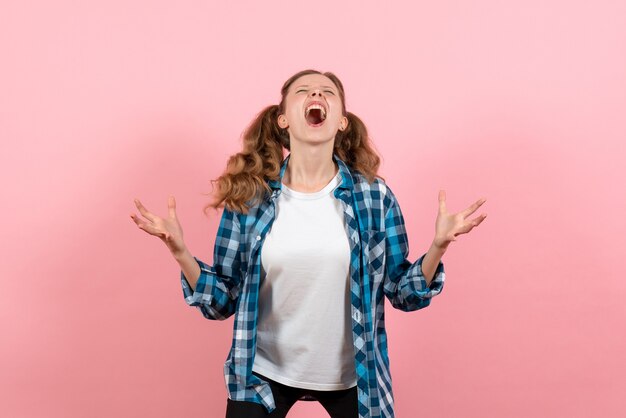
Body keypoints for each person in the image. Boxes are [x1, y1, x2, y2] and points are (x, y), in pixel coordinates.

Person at [130, 69, 487, 418]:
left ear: (341, 122)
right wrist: (179, 251)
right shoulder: (251, 199)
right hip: (263, 374)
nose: (316, 95)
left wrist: (438, 246)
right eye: (303, 91)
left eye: (327, 92)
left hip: (354, 377)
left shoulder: (374, 197)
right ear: (283, 119)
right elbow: (222, 300)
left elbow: (402, 292)